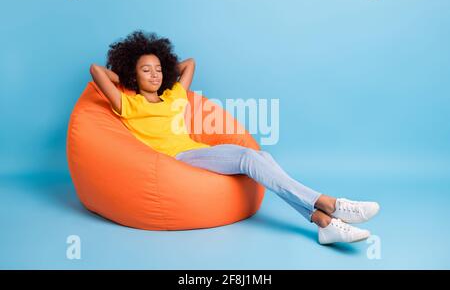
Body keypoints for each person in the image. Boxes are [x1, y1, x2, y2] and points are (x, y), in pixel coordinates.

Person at [90, 30, 380, 245]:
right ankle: (328, 203)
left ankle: (321, 221)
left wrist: (162, 74)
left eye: (158, 69)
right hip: (173, 160)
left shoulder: (173, 96)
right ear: (132, 74)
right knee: (247, 157)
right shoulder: (128, 104)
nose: (154, 75)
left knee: (261, 157)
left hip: (195, 152)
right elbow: (96, 71)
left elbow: (189, 64)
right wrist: (126, 77)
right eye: (145, 70)